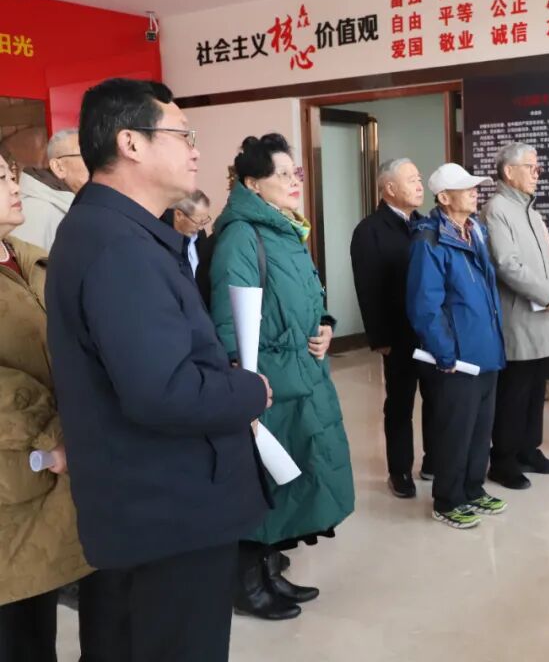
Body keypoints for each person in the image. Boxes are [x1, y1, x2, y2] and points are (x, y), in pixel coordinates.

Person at [45, 78, 272, 662]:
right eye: (183, 135)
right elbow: (162, 392)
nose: (196, 150)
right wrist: (249, 390)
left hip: (149, 507)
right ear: (130, 143)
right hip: (168, 514)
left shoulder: (115, 230)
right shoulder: (119, 246)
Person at [210, 133, 354, 619]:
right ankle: (247, 584)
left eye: (297, 173)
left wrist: (326, 324)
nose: (295, 181)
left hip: (303, 374)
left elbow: (307, 297)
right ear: (253, 183)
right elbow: (229, 316)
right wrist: (241, 381)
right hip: (268, 382)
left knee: (290, 479)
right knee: (262, 483)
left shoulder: (285, 229)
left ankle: (270, 572)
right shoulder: (241, 236)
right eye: (284, 174)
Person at [0, 155, 96, 662]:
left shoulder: (32, 259)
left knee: (38, 626)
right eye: (0, 179)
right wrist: (53, 430)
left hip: (50, 475)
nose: (15, 186)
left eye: (12, 174)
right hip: (15, 474)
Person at [407, 163, 507, 529]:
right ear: (445, 198)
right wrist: (444, 352)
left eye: (475, 187)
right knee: (455, 431)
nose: (475, 193)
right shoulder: (429, 239)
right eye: (467, 188)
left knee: (480, 429)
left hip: (486, 350)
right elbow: (424, 305)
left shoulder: (475, 230)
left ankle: (473, 489)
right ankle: (448, 501)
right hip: (457, 358)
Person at [481, 142, 549, 490]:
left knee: (536, 389)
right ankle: (503, 460)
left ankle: (528, 450)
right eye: (531, 167)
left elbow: (540, 258)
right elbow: (507, 264)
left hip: (541, 312)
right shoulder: (497, 209)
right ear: (509, 172)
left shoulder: (530, 210)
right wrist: (548, 293)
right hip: (518, 316)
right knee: (514, 393)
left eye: (537, 167)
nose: (537, 174)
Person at [351, 158, 435, 499]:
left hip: (430, 332)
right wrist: (380, 338)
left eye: (419, 178)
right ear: (389, 188)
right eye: (412, 179)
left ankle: (433, 461)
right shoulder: (370, 230)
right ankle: (399, 471)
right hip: (398, 334)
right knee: (400, 403)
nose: (419, 185)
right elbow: (368, 288)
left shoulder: (424, 224)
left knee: (436, 397)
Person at [14, 128, 89, 252]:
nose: (96, 164)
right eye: (86, 156)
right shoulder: (35, 210)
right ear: (58, 167)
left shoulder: (78, 201)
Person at [162, 189, 213, 306]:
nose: (201, 228)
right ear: (179, 215)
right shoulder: (160, 239)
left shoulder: (200, 236)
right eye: (197, 222)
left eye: (204, 221)